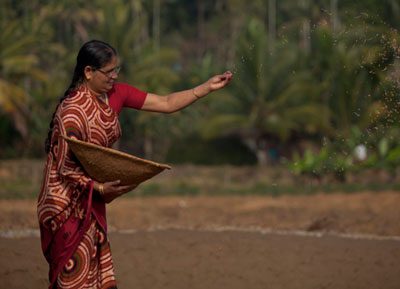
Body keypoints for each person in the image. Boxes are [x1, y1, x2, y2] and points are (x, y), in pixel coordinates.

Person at [37, 39, 232, 289]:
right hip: (64, 201)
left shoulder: (117, 94)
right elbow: (64, 168)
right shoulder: (70, 111)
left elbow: (166, 103)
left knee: (95, 273)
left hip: (92, 195)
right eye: (109, 72)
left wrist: (206, 87)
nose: (114, 77)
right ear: (88, 72)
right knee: (73, 275)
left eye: (117, 70)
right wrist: (98, 189)